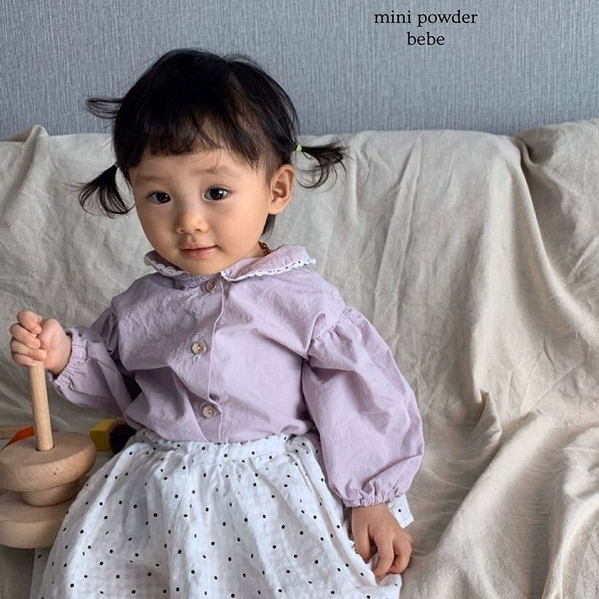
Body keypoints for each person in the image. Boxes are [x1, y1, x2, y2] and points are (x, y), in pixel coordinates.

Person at [9, 49, 423, 598]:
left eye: (216, 192)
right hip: (154, 483)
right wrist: (64, 354)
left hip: (268, 482)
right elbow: (117, 384)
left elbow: (357, 394)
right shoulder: (139, 304)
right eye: (159, 196)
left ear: (277, 189)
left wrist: (372, 497)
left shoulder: (302, 301)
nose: (188, 220)